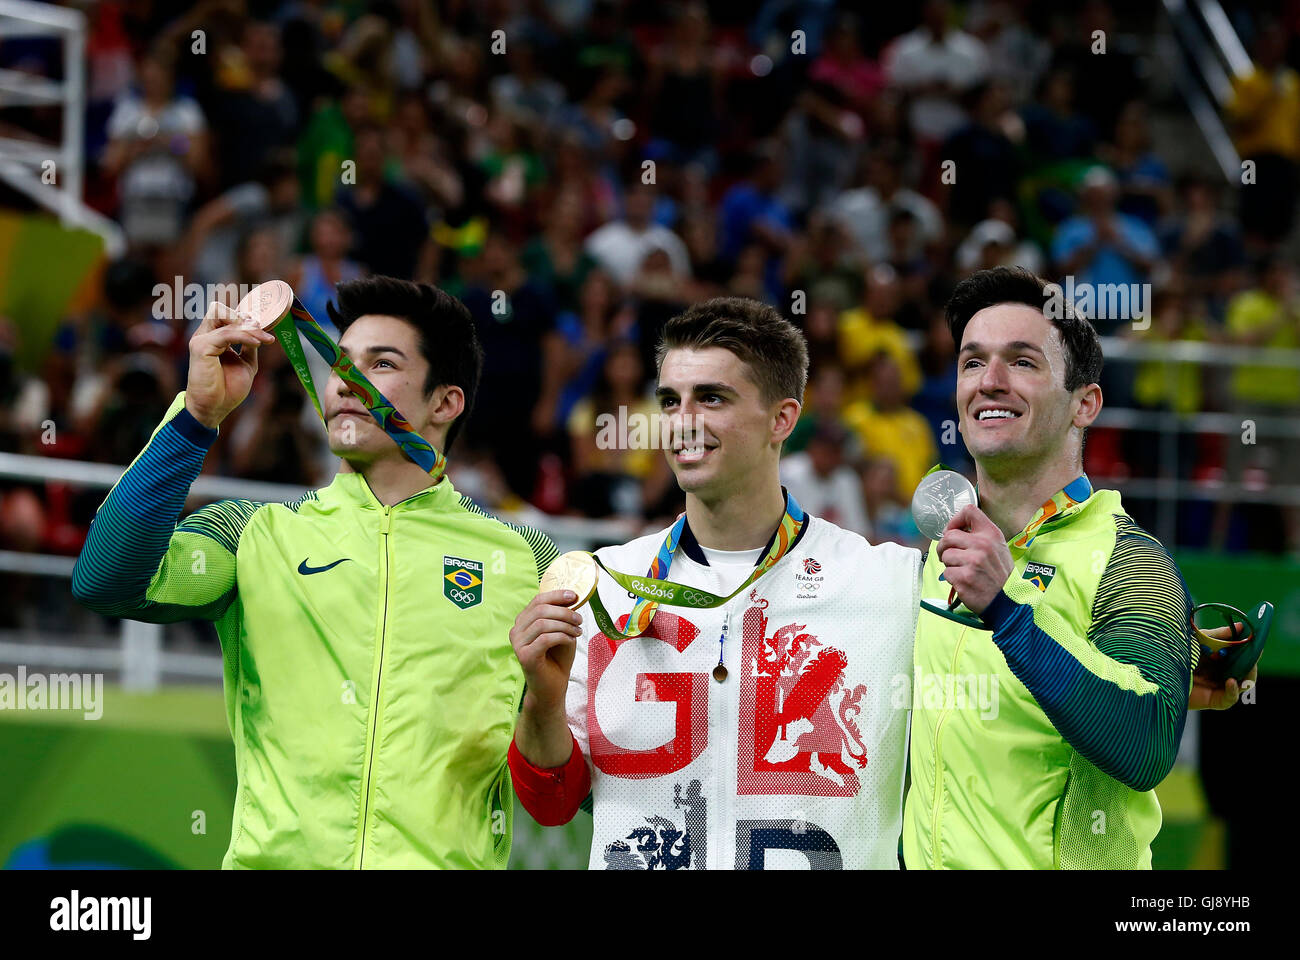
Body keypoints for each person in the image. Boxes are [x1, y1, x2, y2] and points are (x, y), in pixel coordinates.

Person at [71, 277, 557, 868]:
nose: (347, 381)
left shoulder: (530, 560)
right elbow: (104, 579)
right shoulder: (254, 533)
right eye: (339, 361)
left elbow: (563, 786)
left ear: (444, 402)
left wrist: (544, 711)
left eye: (381, 364)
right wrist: (198, 415)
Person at [506, 297, 920, 869]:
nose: (684, 421)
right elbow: (552, 803)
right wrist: (542, 705)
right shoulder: (608, 582)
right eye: (671, 401)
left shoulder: (889, 584)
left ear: (783, 419)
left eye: (713, 398)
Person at [902, 266, 1251, 870]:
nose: (990, 382)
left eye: (1023, 362)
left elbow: (1144, 748)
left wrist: (1008, 611)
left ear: (1084, 403)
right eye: (971, 362)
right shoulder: (941, 548)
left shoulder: (1132, 563)